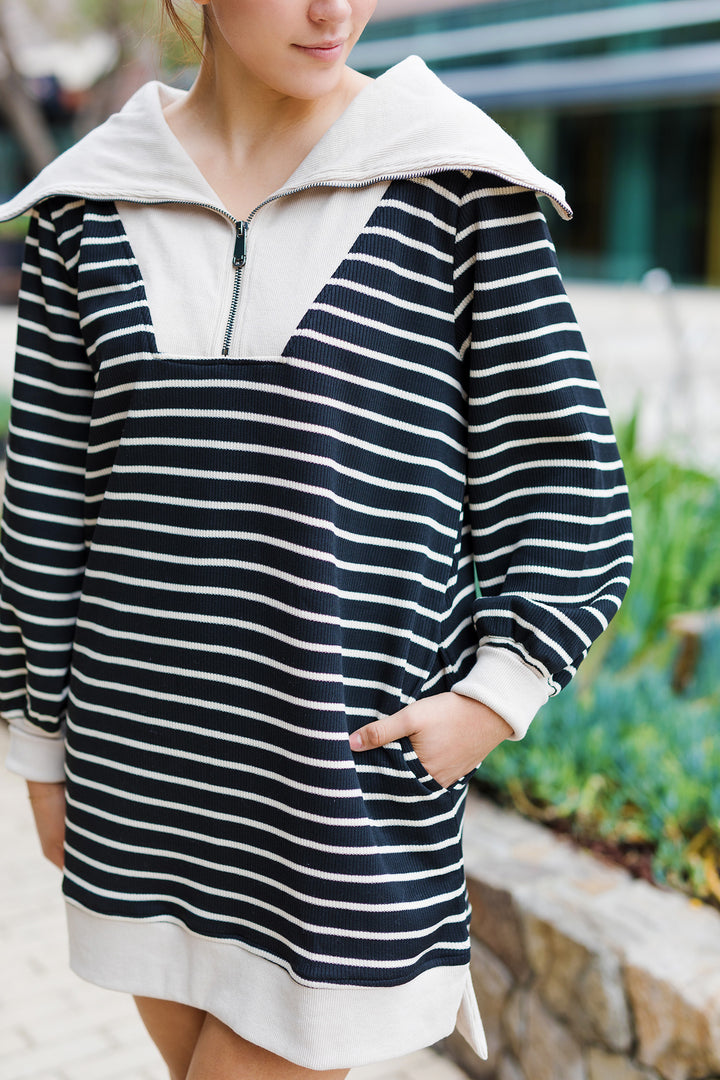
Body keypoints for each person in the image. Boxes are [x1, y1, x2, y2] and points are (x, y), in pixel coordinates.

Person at [0, 1, 633, 1077]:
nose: (335, 9)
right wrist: (39, 748)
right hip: (138, 786)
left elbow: (567, 478)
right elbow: (49, 502)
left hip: (336, 807)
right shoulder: (86, 206)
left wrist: (500, 691)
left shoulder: (456, 186)